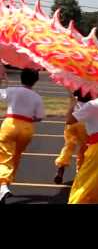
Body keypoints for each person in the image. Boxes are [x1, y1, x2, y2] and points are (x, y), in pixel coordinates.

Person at [0, 68, 45, 204]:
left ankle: (3, 185)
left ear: (21, 77)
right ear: (36, 81)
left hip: (10, 124)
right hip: (27, 128)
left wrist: (2, 80)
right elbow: (39, 117)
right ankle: (6, 182)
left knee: (4, 155)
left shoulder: (12, 90)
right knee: (16, 155)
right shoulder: (37, 97)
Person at [53, 89, 88, 184]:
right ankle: (80, 171)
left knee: (68, 146)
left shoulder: (75, 100)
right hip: (83, 125)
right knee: (83, 148)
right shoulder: (91, 104)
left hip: (71, 125)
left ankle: (61, 167)